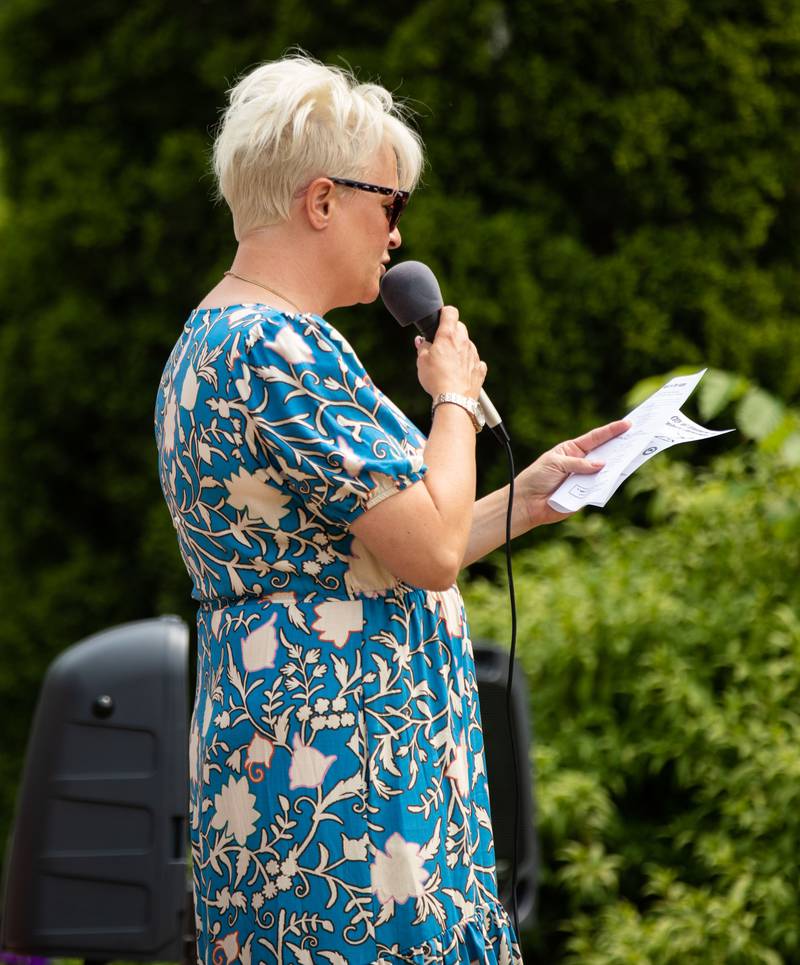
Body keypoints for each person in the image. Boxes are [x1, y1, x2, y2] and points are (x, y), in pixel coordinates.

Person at [154, 53, 627, 965]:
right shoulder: (278, 348)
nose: (398, 238)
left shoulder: (214, 337)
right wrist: (450, 394)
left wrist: (524, 501)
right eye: (391, 205)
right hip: (351, 783)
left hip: (289, 758)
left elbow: (376, 549)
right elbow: (431, 554)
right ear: (321, 200)